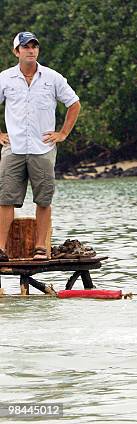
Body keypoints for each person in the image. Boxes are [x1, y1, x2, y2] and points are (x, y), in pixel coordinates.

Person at [0, 32, 81, 261]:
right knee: (5, 199)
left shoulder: (52, 77)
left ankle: (40, 248)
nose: (31, 50)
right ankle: (0, 249)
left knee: (43, 199)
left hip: (43, 148)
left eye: (34, 46)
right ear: (16, 51)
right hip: (13, 147)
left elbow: (74, 103)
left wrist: (63, 133)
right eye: (25, 47)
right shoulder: (5, 78)